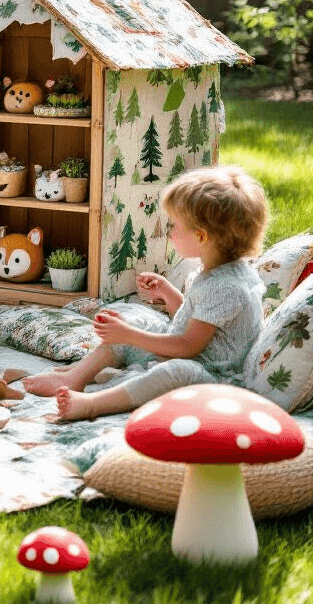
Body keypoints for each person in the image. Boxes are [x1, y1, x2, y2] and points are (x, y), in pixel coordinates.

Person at [22, 165, 267, 420]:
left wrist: (129, 336)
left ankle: (94, 403)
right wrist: (168, 294)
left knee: (172, 370)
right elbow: (200, 321)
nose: (169, 232)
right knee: (131, 323)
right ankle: (75, 377)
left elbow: (186, 347)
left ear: (202, 236)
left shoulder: (224, 286)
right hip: (193, 352)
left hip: (211, 378)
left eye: (174, 225)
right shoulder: (222, 271)